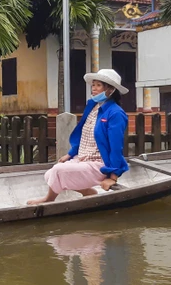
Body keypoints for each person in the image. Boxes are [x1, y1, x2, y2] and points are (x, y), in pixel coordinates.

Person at [28, 69, 129, 205]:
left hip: (99, 164)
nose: (93, 88)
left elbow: (116, 147)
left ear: (111, 90)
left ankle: (49, 200)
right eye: (93, 85)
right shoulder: (93, 107)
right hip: (83, 158)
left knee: (58, 172)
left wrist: (113, 177)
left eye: (98, 85)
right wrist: (70, 154)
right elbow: (84, 136)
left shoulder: (116, 113)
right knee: (51, 173)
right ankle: (87, 192)